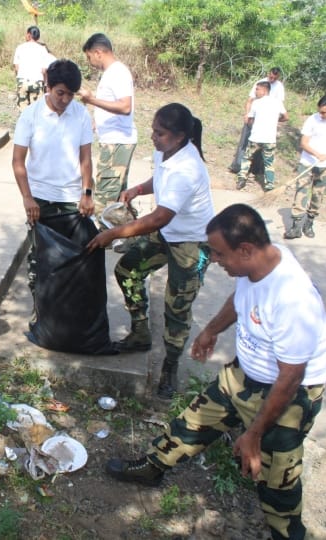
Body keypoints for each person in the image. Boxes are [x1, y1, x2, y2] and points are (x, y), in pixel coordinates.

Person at [105, 203, 326, 540]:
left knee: (276, 481)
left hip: (289, 396)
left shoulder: (293, 300)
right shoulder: (258, 265)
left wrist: (253, 434)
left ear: (245, 249)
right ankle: (152, 468)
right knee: (192, 422)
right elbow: (240, 300)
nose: (213, 260)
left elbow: (290, 378)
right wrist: (211, 330)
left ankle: (286, 533)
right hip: (245, 374)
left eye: (218, 253)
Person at [87, 103, 214, 399]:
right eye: (153, 131)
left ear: (180, 136)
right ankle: (140, 332)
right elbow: (159, 178)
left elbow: (159, 218)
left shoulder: (188, 168)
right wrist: (138, 190)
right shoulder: (166, 152)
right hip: (168, 233)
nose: (154, 138)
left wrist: (112, 233)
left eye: (161, 133)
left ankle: (170, 366)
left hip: (191, 242)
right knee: (128, 270)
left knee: (177, 306)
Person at [12, 59, 94, 301]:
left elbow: (86, 159)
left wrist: (87, 193)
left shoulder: (80, 115)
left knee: (74, 259)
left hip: (71, 199)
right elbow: (18, 161)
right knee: (41, 258)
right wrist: (27, 198)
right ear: (48, 85)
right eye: (60, 93)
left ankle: (66, 316)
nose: (65, 100)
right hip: (40, 200)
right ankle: (42, 313)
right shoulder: (31, 116)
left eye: (70, 94)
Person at [79, 33, 138, 209]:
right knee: (117, 202)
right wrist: (98, 121)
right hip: (113, 141)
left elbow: (125, 107)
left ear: (98, 53)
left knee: (104, 204)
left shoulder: (117, 72)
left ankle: (106, 236)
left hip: (116, 143)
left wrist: (91, 100)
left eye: (89, 57)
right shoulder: (112, 73)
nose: (90, 62)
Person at [284, 94, 326, 239]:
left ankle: (309, 224)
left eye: (324, 112)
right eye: (320, 111)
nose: (321, 115)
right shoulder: (313, 119)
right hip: (307, 163)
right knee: (301, 193)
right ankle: (296, 227)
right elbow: (304, 143)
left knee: (318, 196)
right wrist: (317, 154)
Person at [229, 68, 286, 174]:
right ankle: (237, 166)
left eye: (274, 78)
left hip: (267, 120)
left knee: (263, 145)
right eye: (270, 77)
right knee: (245, 141)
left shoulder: (279, 87)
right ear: (268, 74)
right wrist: (247, 114)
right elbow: (250, 100)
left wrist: (274, 120)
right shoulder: (260, 83)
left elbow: (280, 105)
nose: (272, 79)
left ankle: (255, 169)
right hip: (254, 115)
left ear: (278, 77)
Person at [236, 81, 288, 191]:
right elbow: (286, 117)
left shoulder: (256, 103)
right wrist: (276, 120)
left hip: (255, 137)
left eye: (257, 89)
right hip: (269, 139)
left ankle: (241, 179)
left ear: (264, 91)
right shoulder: (277, 102)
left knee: (247, 158)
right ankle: (269, 185)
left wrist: (252, 124)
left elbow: (250, 119)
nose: (256, 92)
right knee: (269, 162)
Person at [12, 26, 49, 112]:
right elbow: (44, 70)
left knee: (23, 111)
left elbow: (17, 68)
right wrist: (45, 84)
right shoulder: (43, 50)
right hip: (37, 82)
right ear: (38, 37)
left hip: (23, 81)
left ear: (28, 35)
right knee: (36, 112)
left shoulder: (20, 48)